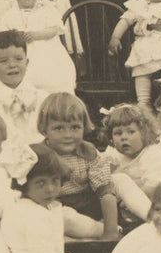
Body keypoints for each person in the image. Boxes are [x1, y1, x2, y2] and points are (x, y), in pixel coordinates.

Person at [1, 144, 106, 253]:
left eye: (55, 181)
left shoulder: (17, 205)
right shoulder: (37, 216)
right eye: (40, 183)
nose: (50, 189)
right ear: (24, 185)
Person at [38, 93, 119, 237]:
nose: (68, 135)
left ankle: (148, 218)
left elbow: (105, 192)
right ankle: (101, 230)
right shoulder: (39, 156)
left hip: (89, 203)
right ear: (45, 130)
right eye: (59, 128)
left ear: (84, 127)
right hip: (58, 207)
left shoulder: (88, 152)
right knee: (65, 218)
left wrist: (111, 231)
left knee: (121, 180)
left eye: (75, 127)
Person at [101, 103, 161, 220]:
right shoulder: (120, 156)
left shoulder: (152, 153)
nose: (124, 137)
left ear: (145, 133)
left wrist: (128, 201)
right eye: (118, 133)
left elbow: (152, 185)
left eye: (131, 131)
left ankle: (154, 221)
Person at [0, 30, 45, 180]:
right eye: (3, 61)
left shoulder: (42, 98)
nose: (12, 65)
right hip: (8, 166)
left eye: (18, 59)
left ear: (27, 63)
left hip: (44, 162)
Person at [0, 0, 76, 94]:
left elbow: (55, 29)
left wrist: (38, 35)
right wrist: (13, 36)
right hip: (22, 55)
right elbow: (0, 35)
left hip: (48, 53)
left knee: (55, 81)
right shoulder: (9, 14)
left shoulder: (46, 9)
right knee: (24, 86)